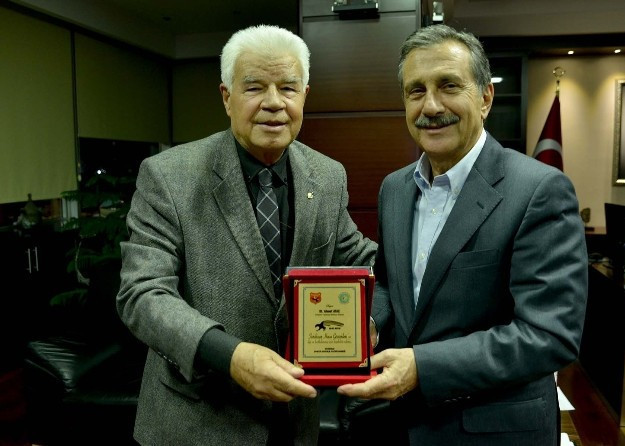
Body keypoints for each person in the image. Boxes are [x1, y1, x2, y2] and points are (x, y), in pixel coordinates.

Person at [116, 25, 376, 446]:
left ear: (305, 96)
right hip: (197, 421)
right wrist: (230, 355)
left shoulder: (327, 176)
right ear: (227, 97)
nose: (273, 102)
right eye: (254, 87)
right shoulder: (169, 176)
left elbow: (358, 259)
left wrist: (368, 320)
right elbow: (142, 294)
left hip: (294, 422)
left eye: (288, 88)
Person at [337, 24, 588, 445]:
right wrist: (370, 324)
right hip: (400, 427)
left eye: (449, 86)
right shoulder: (394, 189)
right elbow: (390, 284)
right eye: (416, 91)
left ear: (485, 97)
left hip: (493, 432)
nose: (431, 106)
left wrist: (422, 367)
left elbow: (549, 335)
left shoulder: (539, 191)